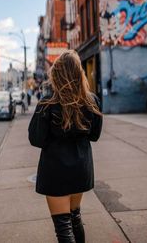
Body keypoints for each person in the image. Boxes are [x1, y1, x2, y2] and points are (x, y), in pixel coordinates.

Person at [28, 50, 103, 243]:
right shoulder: (92, 101)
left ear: (56, 74)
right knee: (75, 218)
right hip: (81, 169)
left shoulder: (47, 103)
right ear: (79, 72)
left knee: (63, 228)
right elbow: (94, 136)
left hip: (56, 171)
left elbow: (36, 139)